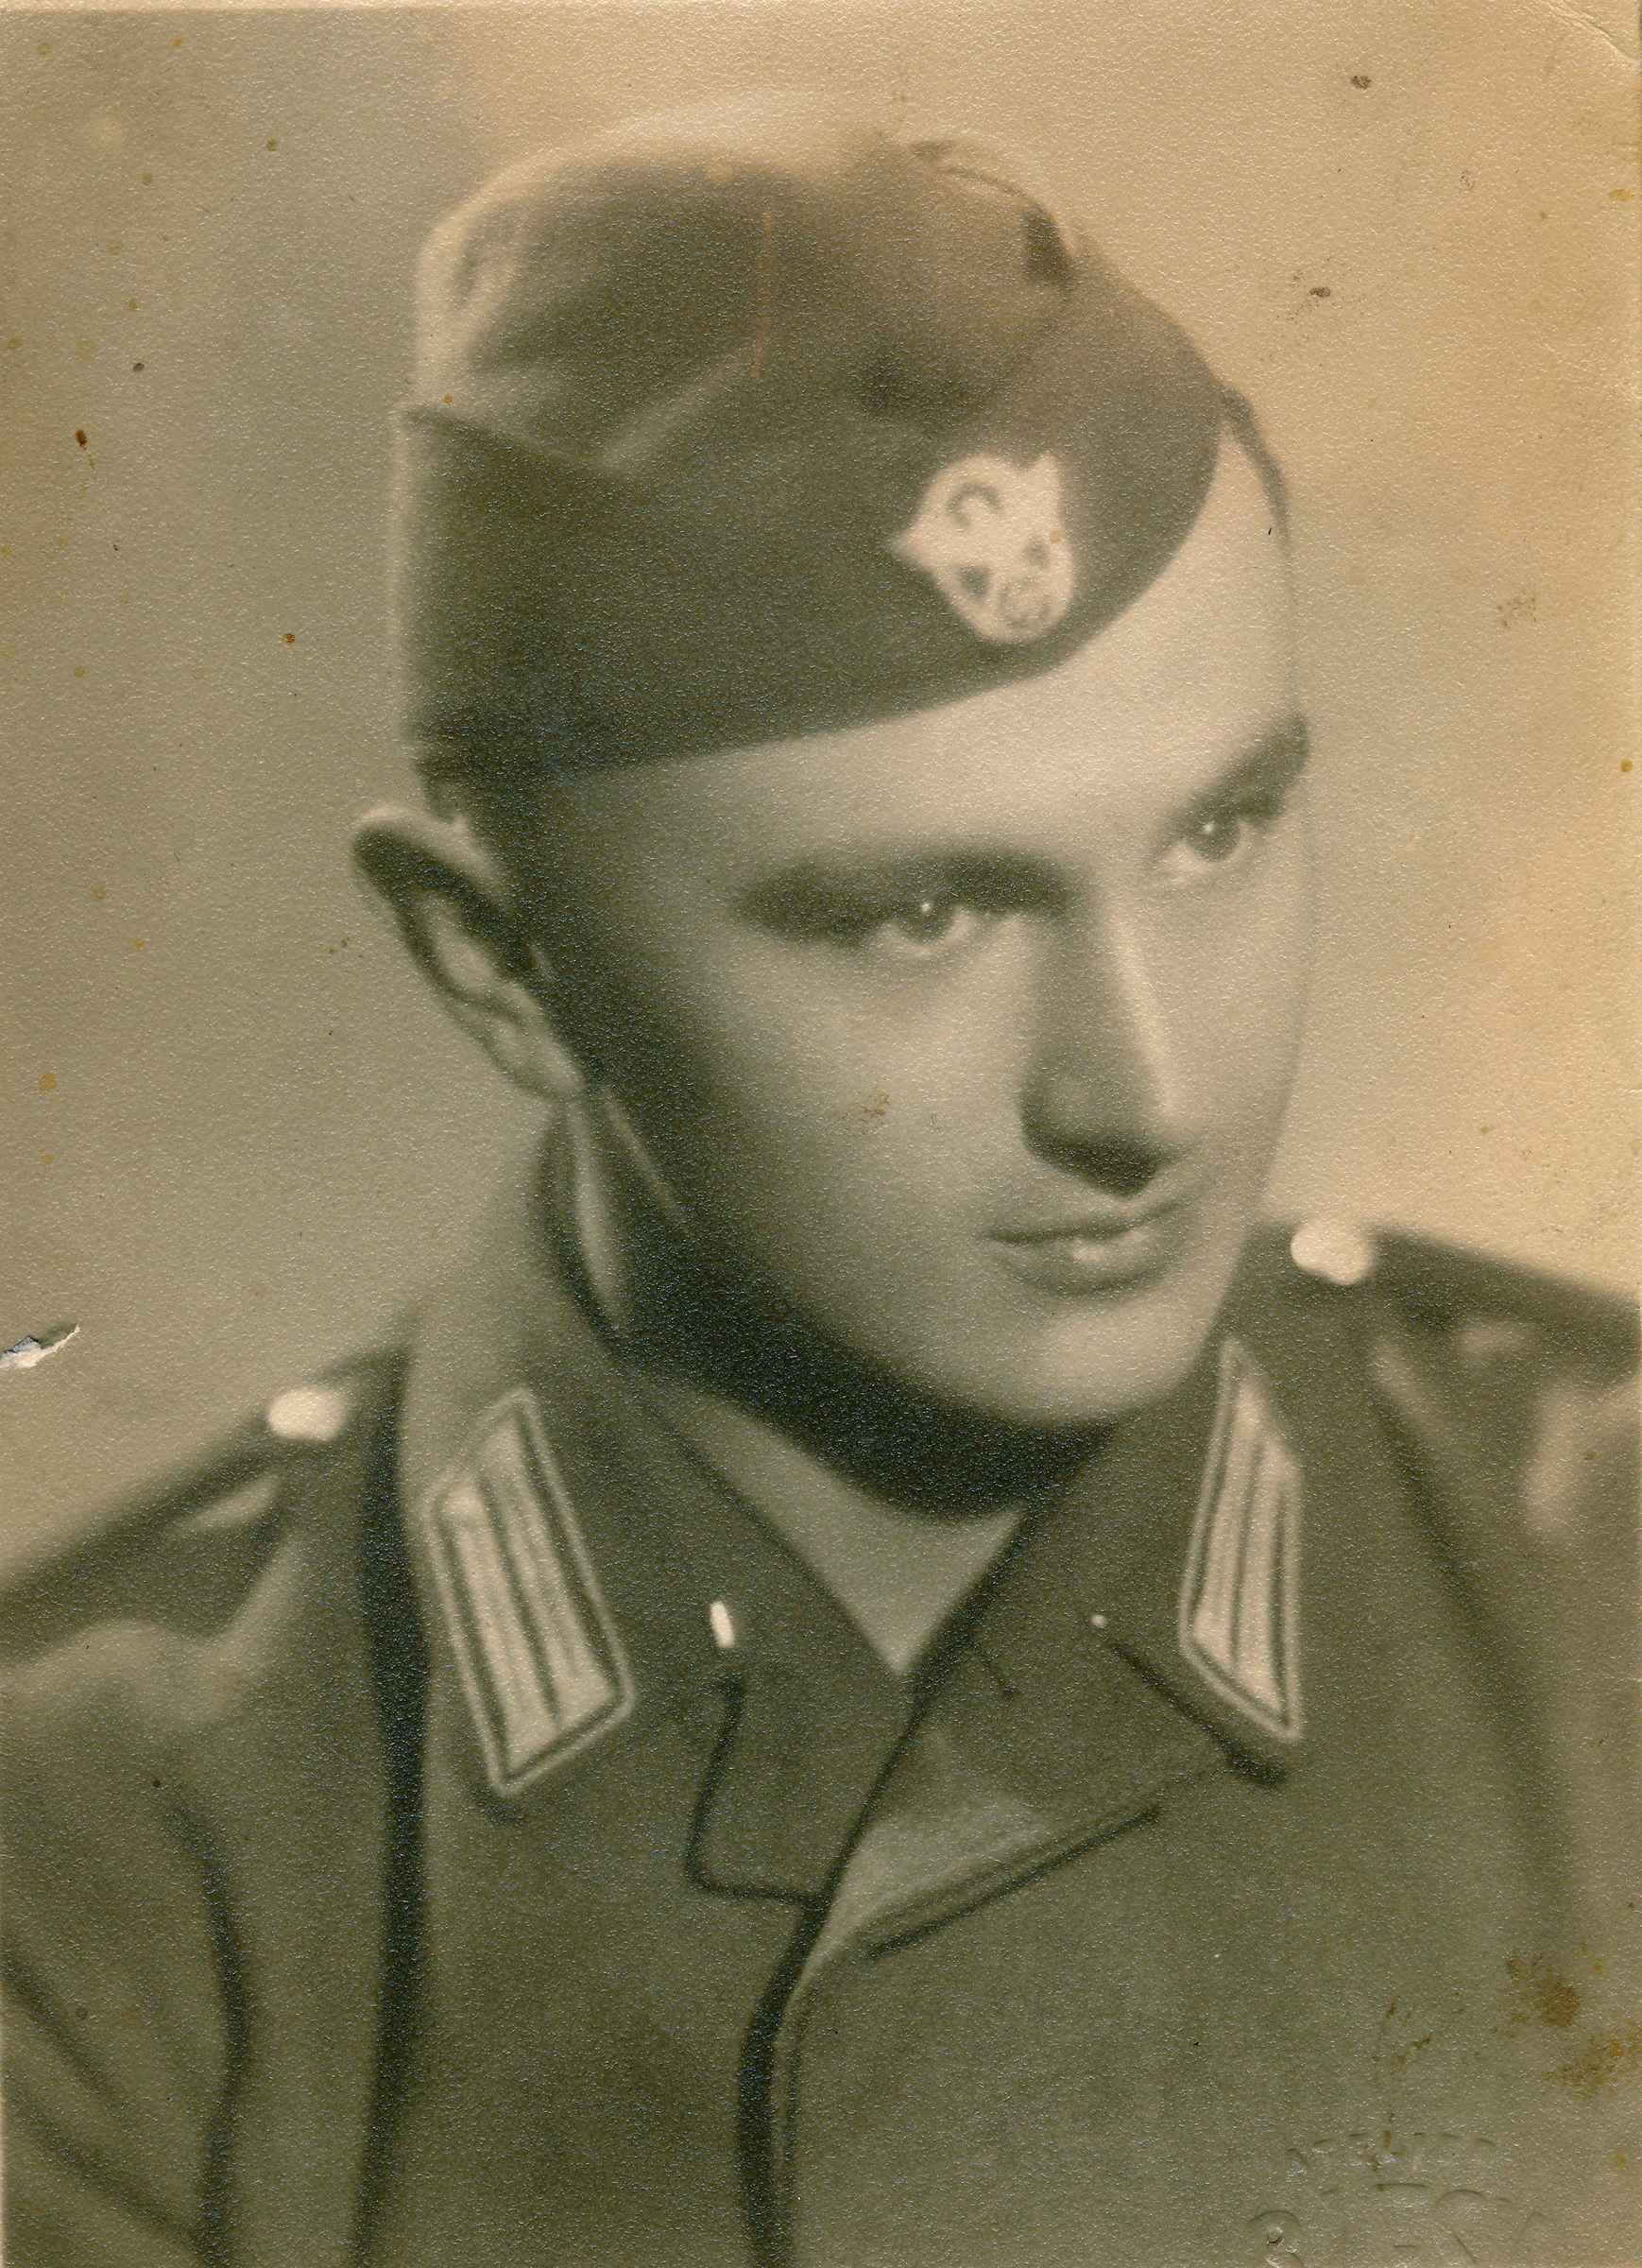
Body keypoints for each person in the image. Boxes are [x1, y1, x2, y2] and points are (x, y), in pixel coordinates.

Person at [3, 94, 1637, 2268]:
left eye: (1216, 832)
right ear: (501, 966)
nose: (1148, 1094)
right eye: (915, 917)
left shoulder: (1592, 1579)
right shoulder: (94, 1870)